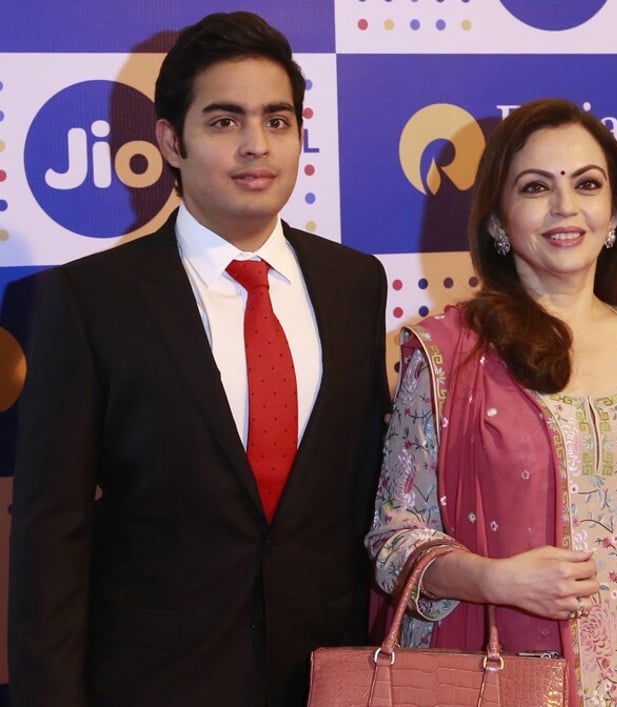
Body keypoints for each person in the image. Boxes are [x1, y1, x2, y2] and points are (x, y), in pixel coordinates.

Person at [8, 12, 389, 707]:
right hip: (155, 681)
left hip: (325, 677)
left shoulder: (356, 284)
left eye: (277, 120)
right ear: (170, 142)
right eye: (223, 121)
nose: (255, 146)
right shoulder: (90, 299)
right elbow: (49, 535)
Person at [365, 98, 617, 707]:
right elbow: (393, 540)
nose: (564, 207)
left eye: (587, 184)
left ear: (616, 212)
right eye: (535, 187)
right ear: (498, 222)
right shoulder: (449, 354)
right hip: (496, 682)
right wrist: (497, 579)